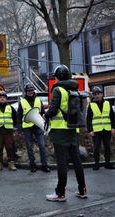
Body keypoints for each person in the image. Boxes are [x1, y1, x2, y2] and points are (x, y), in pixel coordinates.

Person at [45, 65, 87, 202]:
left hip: (60, 131)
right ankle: (82, 189)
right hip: (73, 129)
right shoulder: (75, 89)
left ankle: (60, 193)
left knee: (62, 162)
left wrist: (45, 115)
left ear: (57, 77)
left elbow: (52, 110)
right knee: (76, 161)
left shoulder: (58, 89)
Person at [17, 83, 50, 173]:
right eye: (28, 91)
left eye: (31, 90)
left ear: (33, 90)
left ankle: (44, 165)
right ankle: (32, 164)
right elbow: (19, 115)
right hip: (27, 127)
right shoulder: (22, 101)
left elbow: (42, 112)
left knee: (42, 146)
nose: (30, 92)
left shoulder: (38, 100)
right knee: (29, 147)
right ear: (26, 92)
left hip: (38, 126)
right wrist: (19, 127)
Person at [87, 86, 115, 170]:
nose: (96, 96)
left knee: (107, 147)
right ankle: (96, 164)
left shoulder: (107, 103)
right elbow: (88, 118)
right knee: (96, 148)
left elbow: (112, 117)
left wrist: (113, 127)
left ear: (102, 94)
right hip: (96, 130)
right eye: (95, 94)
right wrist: (90, 130)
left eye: (98, 93)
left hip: (107, 129)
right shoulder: (91, 105)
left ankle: (107, 163)